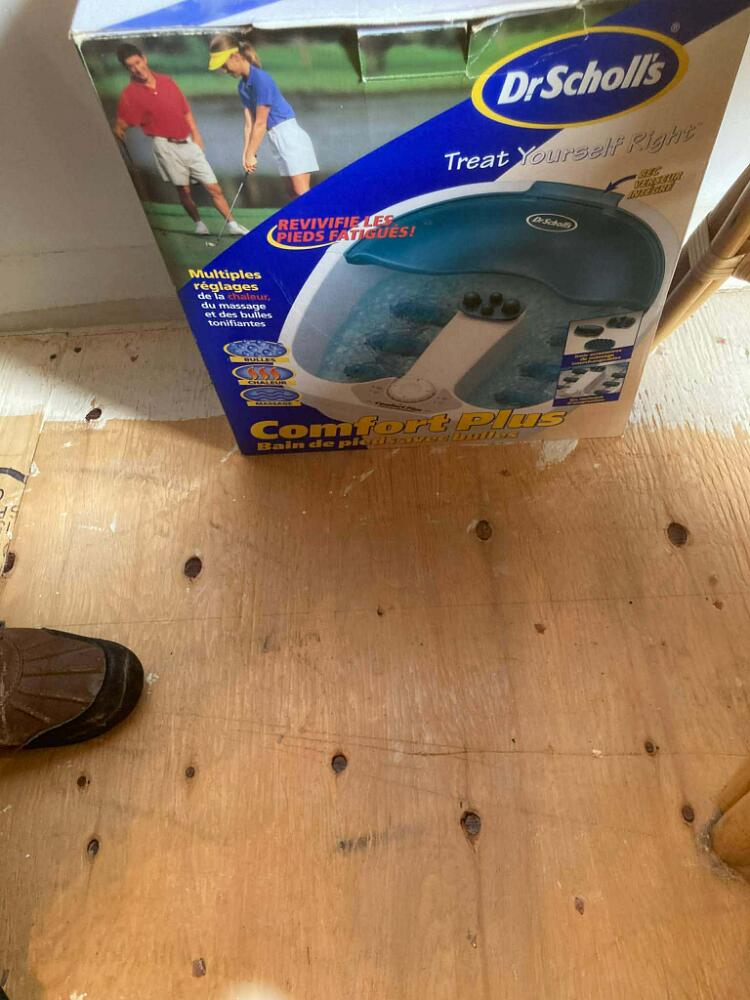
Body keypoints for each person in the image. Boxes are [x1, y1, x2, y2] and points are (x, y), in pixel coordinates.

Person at [113, 43, 248, 238]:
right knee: (184, 191)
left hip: (188, 142)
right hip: (164, 146)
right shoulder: (130, 94)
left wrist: (197, 136)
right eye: (131, 66)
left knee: (214, 187)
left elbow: (186, 111)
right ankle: (199, 223)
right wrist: (119, 131)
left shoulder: (167, 82)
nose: (137, 69)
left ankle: (232, 224)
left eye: (138, 63)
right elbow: (122, 123)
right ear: (127, 69)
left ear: (144, 59)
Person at [207, 35, 319, 198]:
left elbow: (260, 123)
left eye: (224, 65)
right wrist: (246, 154)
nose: (224, 71)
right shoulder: (242, 86)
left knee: (301, 193)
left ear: (236, 57)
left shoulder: (261, 79)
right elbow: (249, 124)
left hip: (290, 136)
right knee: (292, 194)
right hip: (276, 137)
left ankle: (326, 215)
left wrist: (252, 153)